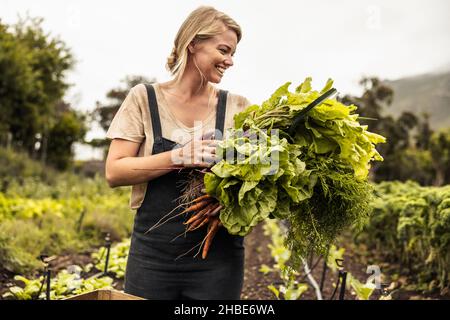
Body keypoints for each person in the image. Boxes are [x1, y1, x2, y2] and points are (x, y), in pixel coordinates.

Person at [105, 6, 252, 300]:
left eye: (233, 53)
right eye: (223, 49)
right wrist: (178, 157)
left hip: (219, 260)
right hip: (152, 255)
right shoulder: (144, 98)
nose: (230, 61)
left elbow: (261, 179)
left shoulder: (239, 108)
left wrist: (235, 203)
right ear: (193, 43)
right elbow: (114, 171)